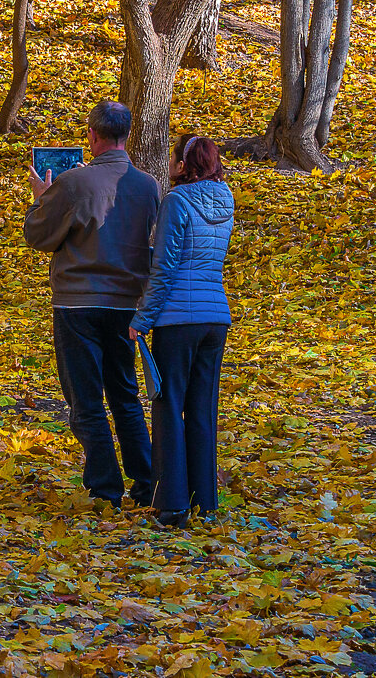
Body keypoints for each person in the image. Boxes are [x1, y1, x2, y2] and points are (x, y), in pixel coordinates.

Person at [23, 100, 160, 509]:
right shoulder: (148, 186)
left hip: (77, 304)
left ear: (92, 137)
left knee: (86, 399)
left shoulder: (74, 184)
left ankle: (105, 487)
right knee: (124, 393)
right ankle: (145, 480)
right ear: (126, 135)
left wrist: (41, 198)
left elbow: (38, 235)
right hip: (125, 304)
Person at [129, 134, 234, 528]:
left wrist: (141, 319)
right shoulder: (226, 199)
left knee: (169, 406)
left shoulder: (176, 202)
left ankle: (172, 503)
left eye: (174, 157)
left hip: (177, 319)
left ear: (183, 165)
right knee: (203, 408)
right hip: (215, 317)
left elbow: (166, 269)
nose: (170, 162)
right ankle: (204, 500)